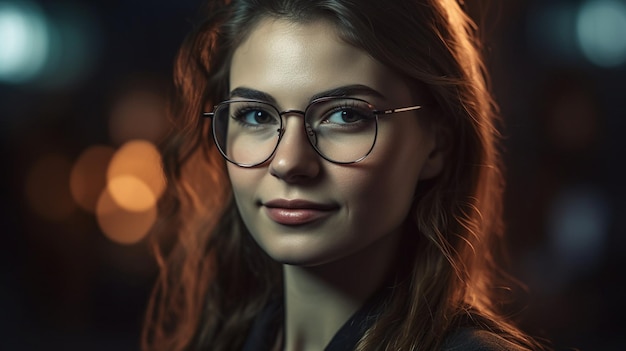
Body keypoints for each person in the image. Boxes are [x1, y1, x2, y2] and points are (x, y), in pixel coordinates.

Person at [141, 0, 551, 350]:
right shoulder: (222, 339)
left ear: (436, 145)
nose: (288, 162)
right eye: (256, 115)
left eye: (345, 115)